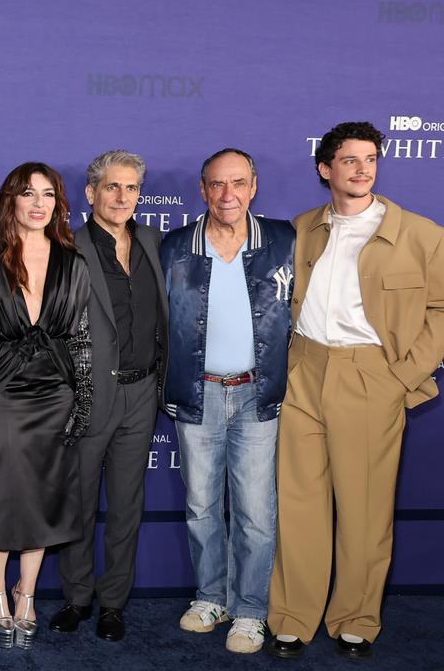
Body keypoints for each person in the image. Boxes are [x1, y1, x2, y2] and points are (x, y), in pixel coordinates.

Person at [267, 122, 444, 661]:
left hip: (371, 377)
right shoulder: (301, 228)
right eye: (349, 160)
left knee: (365, 508)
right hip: (303, 369)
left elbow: (439, 311)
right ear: (325, 169)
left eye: (370, 159)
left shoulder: (420, 233)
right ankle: (293, 617)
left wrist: (401, 376)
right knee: (298, 504)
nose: (363, 168)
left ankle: (356, 619)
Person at [159, 149, 295, 655]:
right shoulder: (174, 247)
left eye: (238, 183)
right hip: (199, 395)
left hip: (259, 394)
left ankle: (251, 610)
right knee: (200, 505)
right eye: (217, 184)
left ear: (253, 186)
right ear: (202, 189)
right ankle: (211, 597)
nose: (228, 194)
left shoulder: (284, 240)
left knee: (257, 511)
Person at [0, 162, 92, 650]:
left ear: (58, 204)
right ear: (11, 200)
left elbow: (80, 337)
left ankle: (27, 592)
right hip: (3, 391)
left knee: (45, 492)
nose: (39, 204)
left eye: (48, 195)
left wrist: (84, 397)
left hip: (55, 393)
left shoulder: (72, 264)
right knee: (4, 491)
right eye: (28, 194)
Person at [52, 150, 167, 642]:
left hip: (141, 391)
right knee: (76, 503)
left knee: (126, 505)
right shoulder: (66, 249)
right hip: (87, 395)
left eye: (131, 189)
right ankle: (78, 597)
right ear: (91, 193)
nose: (122, 197)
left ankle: (113, 603)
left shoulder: (154, 243)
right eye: (112, 188)